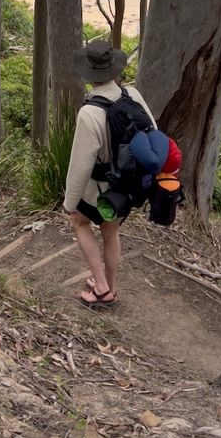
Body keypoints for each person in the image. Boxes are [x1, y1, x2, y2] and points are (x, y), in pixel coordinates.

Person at [63, 38, 157, 308]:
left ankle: (102, 289)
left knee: (80, 222)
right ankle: (110, 286)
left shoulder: (89, 113)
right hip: (128, 186)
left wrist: (70, 203)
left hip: (100, 191)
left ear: (88, 73)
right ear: (114, 69)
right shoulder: (133, 95)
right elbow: (153, 131)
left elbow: (80, 164)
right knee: (110, 232)